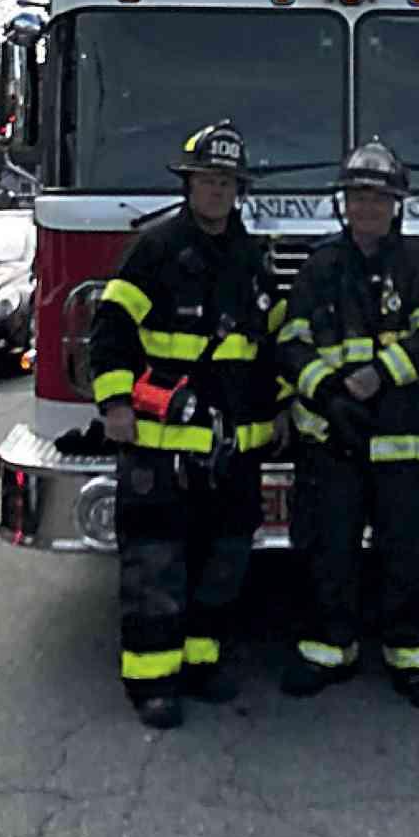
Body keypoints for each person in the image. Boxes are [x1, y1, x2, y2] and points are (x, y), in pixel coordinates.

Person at [88, 120, 285, 729]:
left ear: (238, 189)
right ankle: (152, 682)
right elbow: (111, 332)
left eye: (226, 181)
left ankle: (201, 665)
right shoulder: (155, 251)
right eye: (207, 180)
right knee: (157, 566)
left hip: (234, 450)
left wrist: (279, 408)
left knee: (223, 563)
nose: (217, 190)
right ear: (188, 185)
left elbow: (275, 345)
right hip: (160, 447)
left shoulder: (253, 260)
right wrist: (116, 405)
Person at [276, 139, 419, 711]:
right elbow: (289, 342)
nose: (367, 208)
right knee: (328, 547)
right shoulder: (321, 267)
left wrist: (379, 375)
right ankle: (328, 650)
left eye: (378, 199)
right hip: (332, 437)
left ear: (396, 205)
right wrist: (328, 393)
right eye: (358, 197)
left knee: (409, 551)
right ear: (345, 204)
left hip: (403, 437)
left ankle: (415, 660)